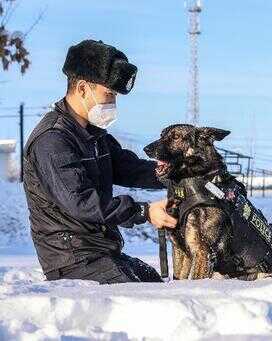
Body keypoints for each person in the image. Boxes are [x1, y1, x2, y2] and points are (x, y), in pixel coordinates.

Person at [22, 39, 177, 284]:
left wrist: (176, 174)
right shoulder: (52, 140)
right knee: (147, 303)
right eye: (109, 93)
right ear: (83, 88)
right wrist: (144, 211)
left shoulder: (93, 134)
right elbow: (81, 203)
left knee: (153, 283)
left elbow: (128, 167)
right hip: (72, 260)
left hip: (100, 251)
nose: (112, 102)